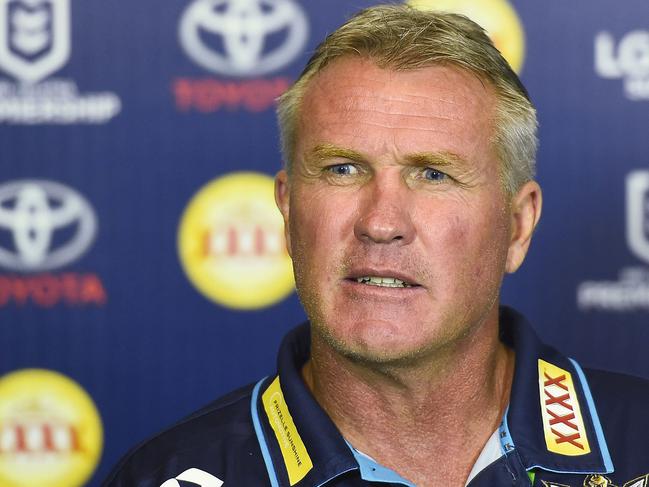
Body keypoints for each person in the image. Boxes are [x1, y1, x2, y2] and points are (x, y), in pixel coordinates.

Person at [104, 5, 649, 487]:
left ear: (517, 225)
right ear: (288, 210)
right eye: (342, 169)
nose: (381, 222)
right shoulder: (165, 476)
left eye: (433, 174)